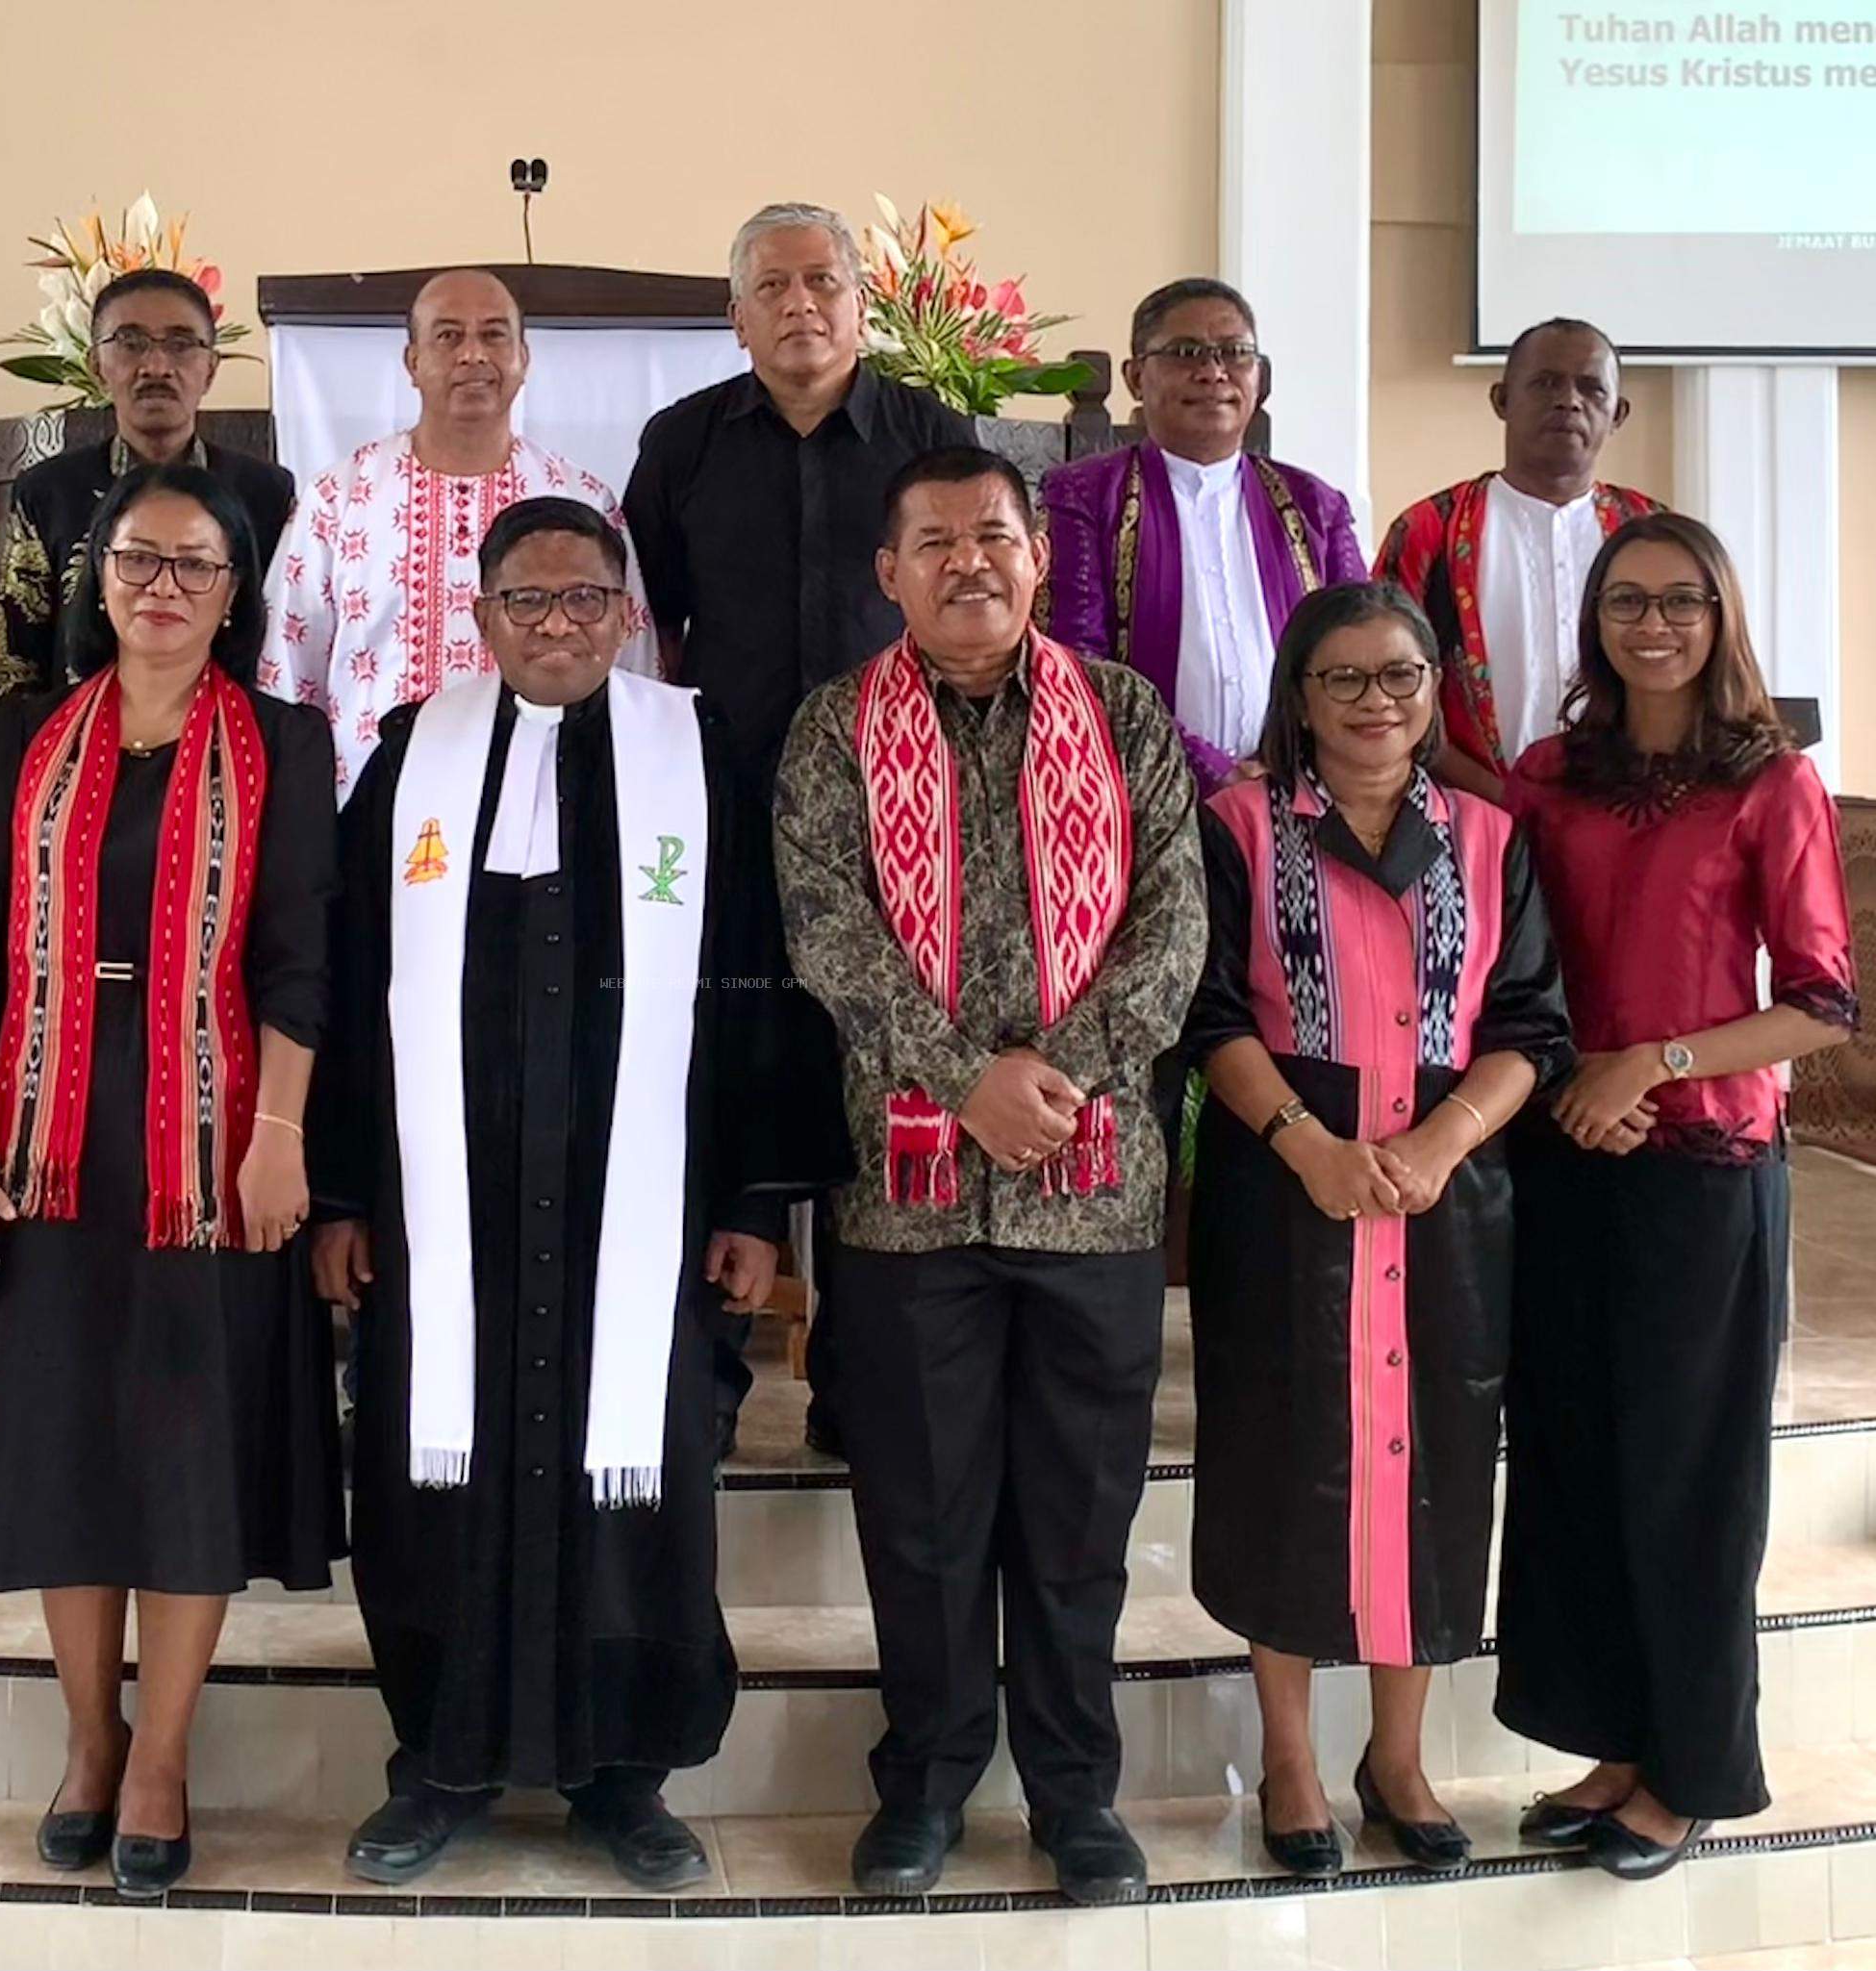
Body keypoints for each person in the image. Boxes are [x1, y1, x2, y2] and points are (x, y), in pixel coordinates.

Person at [309, 496, 813, 1890]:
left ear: (624, 611)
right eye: (526, 603)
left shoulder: (692, 750)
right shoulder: (416, 754)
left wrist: (755, 1203)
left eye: (586, 599)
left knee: (634, 1491)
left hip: (635, 1210)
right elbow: (356, 986)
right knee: (434, 1487)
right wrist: (344, 1192)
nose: (558, 626)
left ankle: (624, 1779)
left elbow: (759, 979)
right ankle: (438, 1766)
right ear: (478, 620)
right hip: (445, 1211)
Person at [0, 465, 342, 1901]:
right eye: (138, 560)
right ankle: (90, 1737)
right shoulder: (28, 730)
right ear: (97, 579)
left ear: (234, 594)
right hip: (37, 1135)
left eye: (194, 566)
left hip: (206, 1146)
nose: (163, 586)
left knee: (186, 1449)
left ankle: (166, 1753)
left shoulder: (285, 739)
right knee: (62, 1445)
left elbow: (296, 956)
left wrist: (279, 1133)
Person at [773, 446, 1204, 1906]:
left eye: (996, 536)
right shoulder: (835, 728)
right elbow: (828, 930)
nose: (971, 561)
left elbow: (1172, 934)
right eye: (937, 540)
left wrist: (1056, 1077)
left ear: (1037, 560)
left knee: (1078, 1524)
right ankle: (932, 1784)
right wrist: (964, 1077)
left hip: (1097, 1192)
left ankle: (1079, 1797)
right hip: (909, 1203)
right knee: (925, 1517)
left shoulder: (1128, 715)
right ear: (886, 570)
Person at [1179, 582, 1572, 1880]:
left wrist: (1437, 1146)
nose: (1375, 702)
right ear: (1299, 696)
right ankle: (1292, 1751)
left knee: (1439, 1457)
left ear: (1432, 688)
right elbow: (1205, 1017)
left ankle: (1396, 1756)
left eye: (1399, 675)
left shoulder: (1489, 836)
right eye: (1343, 678)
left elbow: (1529, 1026)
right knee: (1282, 1449)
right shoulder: (1237, 825)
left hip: (1450, 1186)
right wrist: (1310, 1148)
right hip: (1288, 1177)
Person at [1495, 511, 1856, 1881]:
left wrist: (1656, 1060)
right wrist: (1566, 1080)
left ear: (1721, 619)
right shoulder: (1547, 773)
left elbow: (1824, 1003)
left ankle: (1695, 1766)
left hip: (1704, 1172)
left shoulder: (1772, 784)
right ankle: (1618, 1746)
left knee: (1689, 1483)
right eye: (1628, 599)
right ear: (1594, 620)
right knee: (1580, 1467)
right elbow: (1517, 958)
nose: (1653, 622)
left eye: (1681, 600)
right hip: (1564, 1159)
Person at [624, 200, 971, 1458]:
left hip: (905, 813)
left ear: (862, 303)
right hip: (726, 812)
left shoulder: (932, 438)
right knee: (728, 1066)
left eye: (823, 280)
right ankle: (708, 1377)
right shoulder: (683, 443)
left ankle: (864, 1383)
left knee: (883, 1074)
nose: (800, 304)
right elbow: (652, 630)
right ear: (737, 313)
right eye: (771, 285)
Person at [260, 267, 656, 796]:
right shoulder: (338, 499)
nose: (473, 354)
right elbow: (286, 679)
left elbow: (633, 669)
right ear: (413, 362)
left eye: (494, 334)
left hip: (551, 808)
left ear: (524, 358)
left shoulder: (583, 500)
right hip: (370, 814)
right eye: (448, 336)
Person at [1043, 278, 1365, 791]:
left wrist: (1290, 768)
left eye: (1235, 353)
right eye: (1186, 352)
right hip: (1145, 794)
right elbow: (1081, 668)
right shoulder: (1082, 496)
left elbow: (1360, 652)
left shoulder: (1315, 505)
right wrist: (1215, 773)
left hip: (1303, 795)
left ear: (1258, 377)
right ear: (1135, 377)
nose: (1213, 371)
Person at [1377, 317, 1661, 802]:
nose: (1569, 401)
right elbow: (1386, 687)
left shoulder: (1653, 536)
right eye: (1546, 382)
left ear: (1618, 413)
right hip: (1464, 819)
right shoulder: (1430, 532)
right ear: (1502, 400)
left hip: (1630, 817)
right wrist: (1501, 801)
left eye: (1592, 389)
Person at [0, 267, 294, 700]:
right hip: (75, 747)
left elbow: (283, 649)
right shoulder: (48, 492)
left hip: (230, 744)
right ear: (96, 365)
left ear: (210, 369)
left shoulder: (267, 495)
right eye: (130, 344)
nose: (156, 366)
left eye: (181, 344)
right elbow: (17, 669)